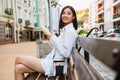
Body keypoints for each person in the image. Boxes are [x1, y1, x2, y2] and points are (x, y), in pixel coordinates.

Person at [14, 5, 78, 80]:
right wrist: (51, 39)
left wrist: (54, 38)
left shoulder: (69, 31)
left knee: (18, 59)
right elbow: (58, 48)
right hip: (52, 63)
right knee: (18, 68)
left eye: (69, 13)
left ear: (73, 17)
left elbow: (66, 53)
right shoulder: (66, 30)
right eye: (63, 13)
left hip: (55, 66)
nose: (65, 15)